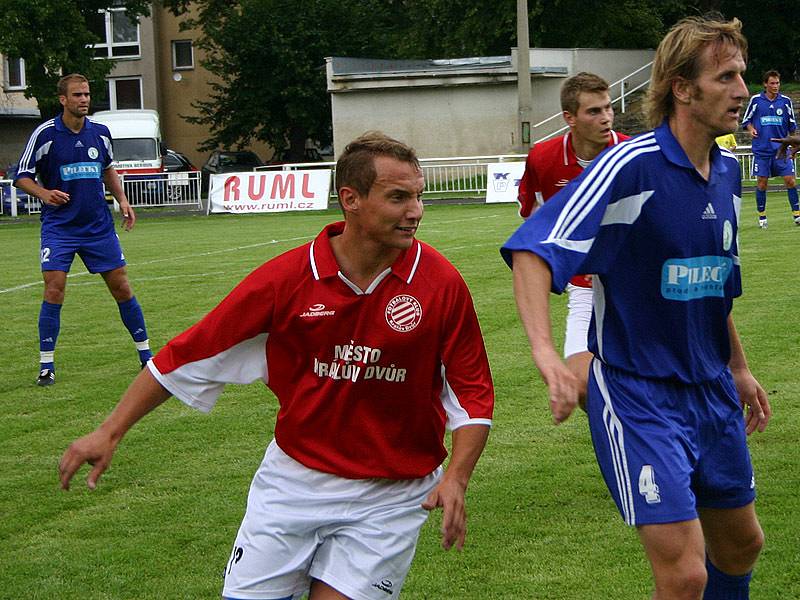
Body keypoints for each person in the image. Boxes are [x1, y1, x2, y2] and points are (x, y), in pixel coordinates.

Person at [58, 132, 494, 600]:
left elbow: (472, 391)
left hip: (391, 495)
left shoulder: (439, 282)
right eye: (398, 197)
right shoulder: (286, 280)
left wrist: (457, 477)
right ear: (351, 199)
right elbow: (188, 354)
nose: (416, 211)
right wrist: (110, 431)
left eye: (418, 196)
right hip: (294, 484)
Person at [502, 16, 769, 600]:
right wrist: (548, 355)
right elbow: (532, 251)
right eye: (724, 77)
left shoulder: (726, 173)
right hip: (638, 390)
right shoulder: (629, 167)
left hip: (711, 389)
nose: (742, 90)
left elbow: (714, 285)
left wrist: (739, 368)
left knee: (742, 544)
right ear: (681, 86)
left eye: (741, 75)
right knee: (685, 573)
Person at [14, 73, 152, 386]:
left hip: (98, 227)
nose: (84, 100)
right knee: (54, 289)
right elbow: (22, 176)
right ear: (63, 100)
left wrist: (123, 201)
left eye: (87, 94)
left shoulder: (101, 133)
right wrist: (45, 194)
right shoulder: (45, 134)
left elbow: (107, 169)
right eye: (77, 95)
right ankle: (46, 366)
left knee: (122, 287)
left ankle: (146, 357)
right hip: (60, 227)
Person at [517, 72, 629, 402]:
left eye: (608, 108)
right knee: (580, 389)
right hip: (582, 286)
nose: (606, 117)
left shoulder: (630, 154)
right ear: (570, 118)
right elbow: (533, 222)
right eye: (594, 111)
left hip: (634, 286)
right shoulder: (543, 158)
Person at [741, 69, 800, 228]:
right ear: (765, 84)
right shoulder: (756, 100)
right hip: (762, 149)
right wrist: (751, 129)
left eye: (777, 83)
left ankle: (797, 215)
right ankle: (762, 218)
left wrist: (793, 146)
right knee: (762, 183)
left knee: (790, 180)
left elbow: (792, 126)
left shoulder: (785, 101)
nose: (775, 86)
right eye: (772, 83)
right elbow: (746, 120)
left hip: (782, 149)